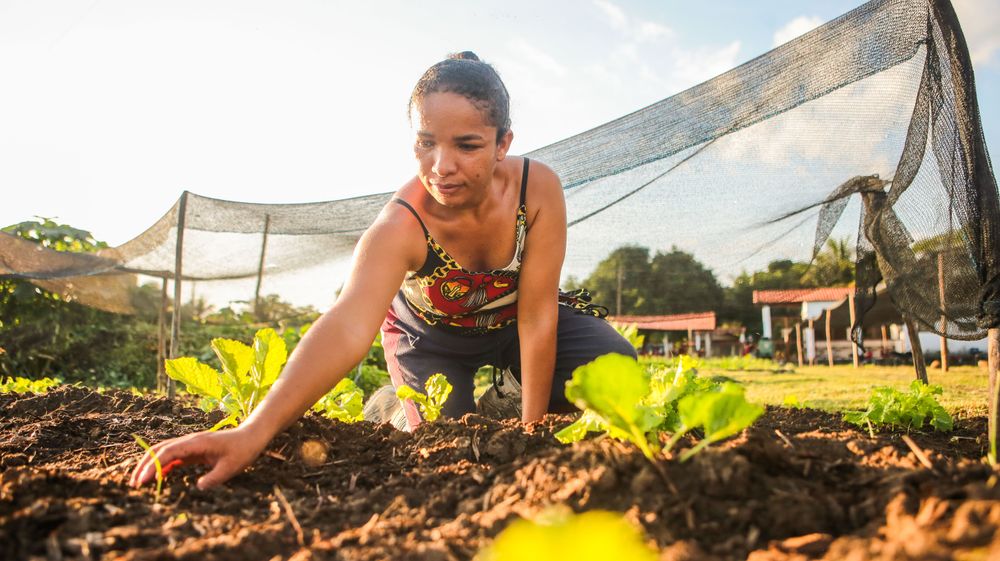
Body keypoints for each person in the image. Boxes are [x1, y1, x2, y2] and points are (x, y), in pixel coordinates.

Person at [131, 52, 635, 491]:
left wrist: (530, 432)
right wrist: (252, 431)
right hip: (432, 340)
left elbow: (538, 315)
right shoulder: (401, 226)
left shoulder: (537, 189)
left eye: (467, 145)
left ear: (503, 143)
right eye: (425, 143)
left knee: (610, 361)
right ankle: (393, 403)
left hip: (510, 327)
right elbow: (348, 325)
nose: (441, 166)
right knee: (444, 439)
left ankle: (506, 396)